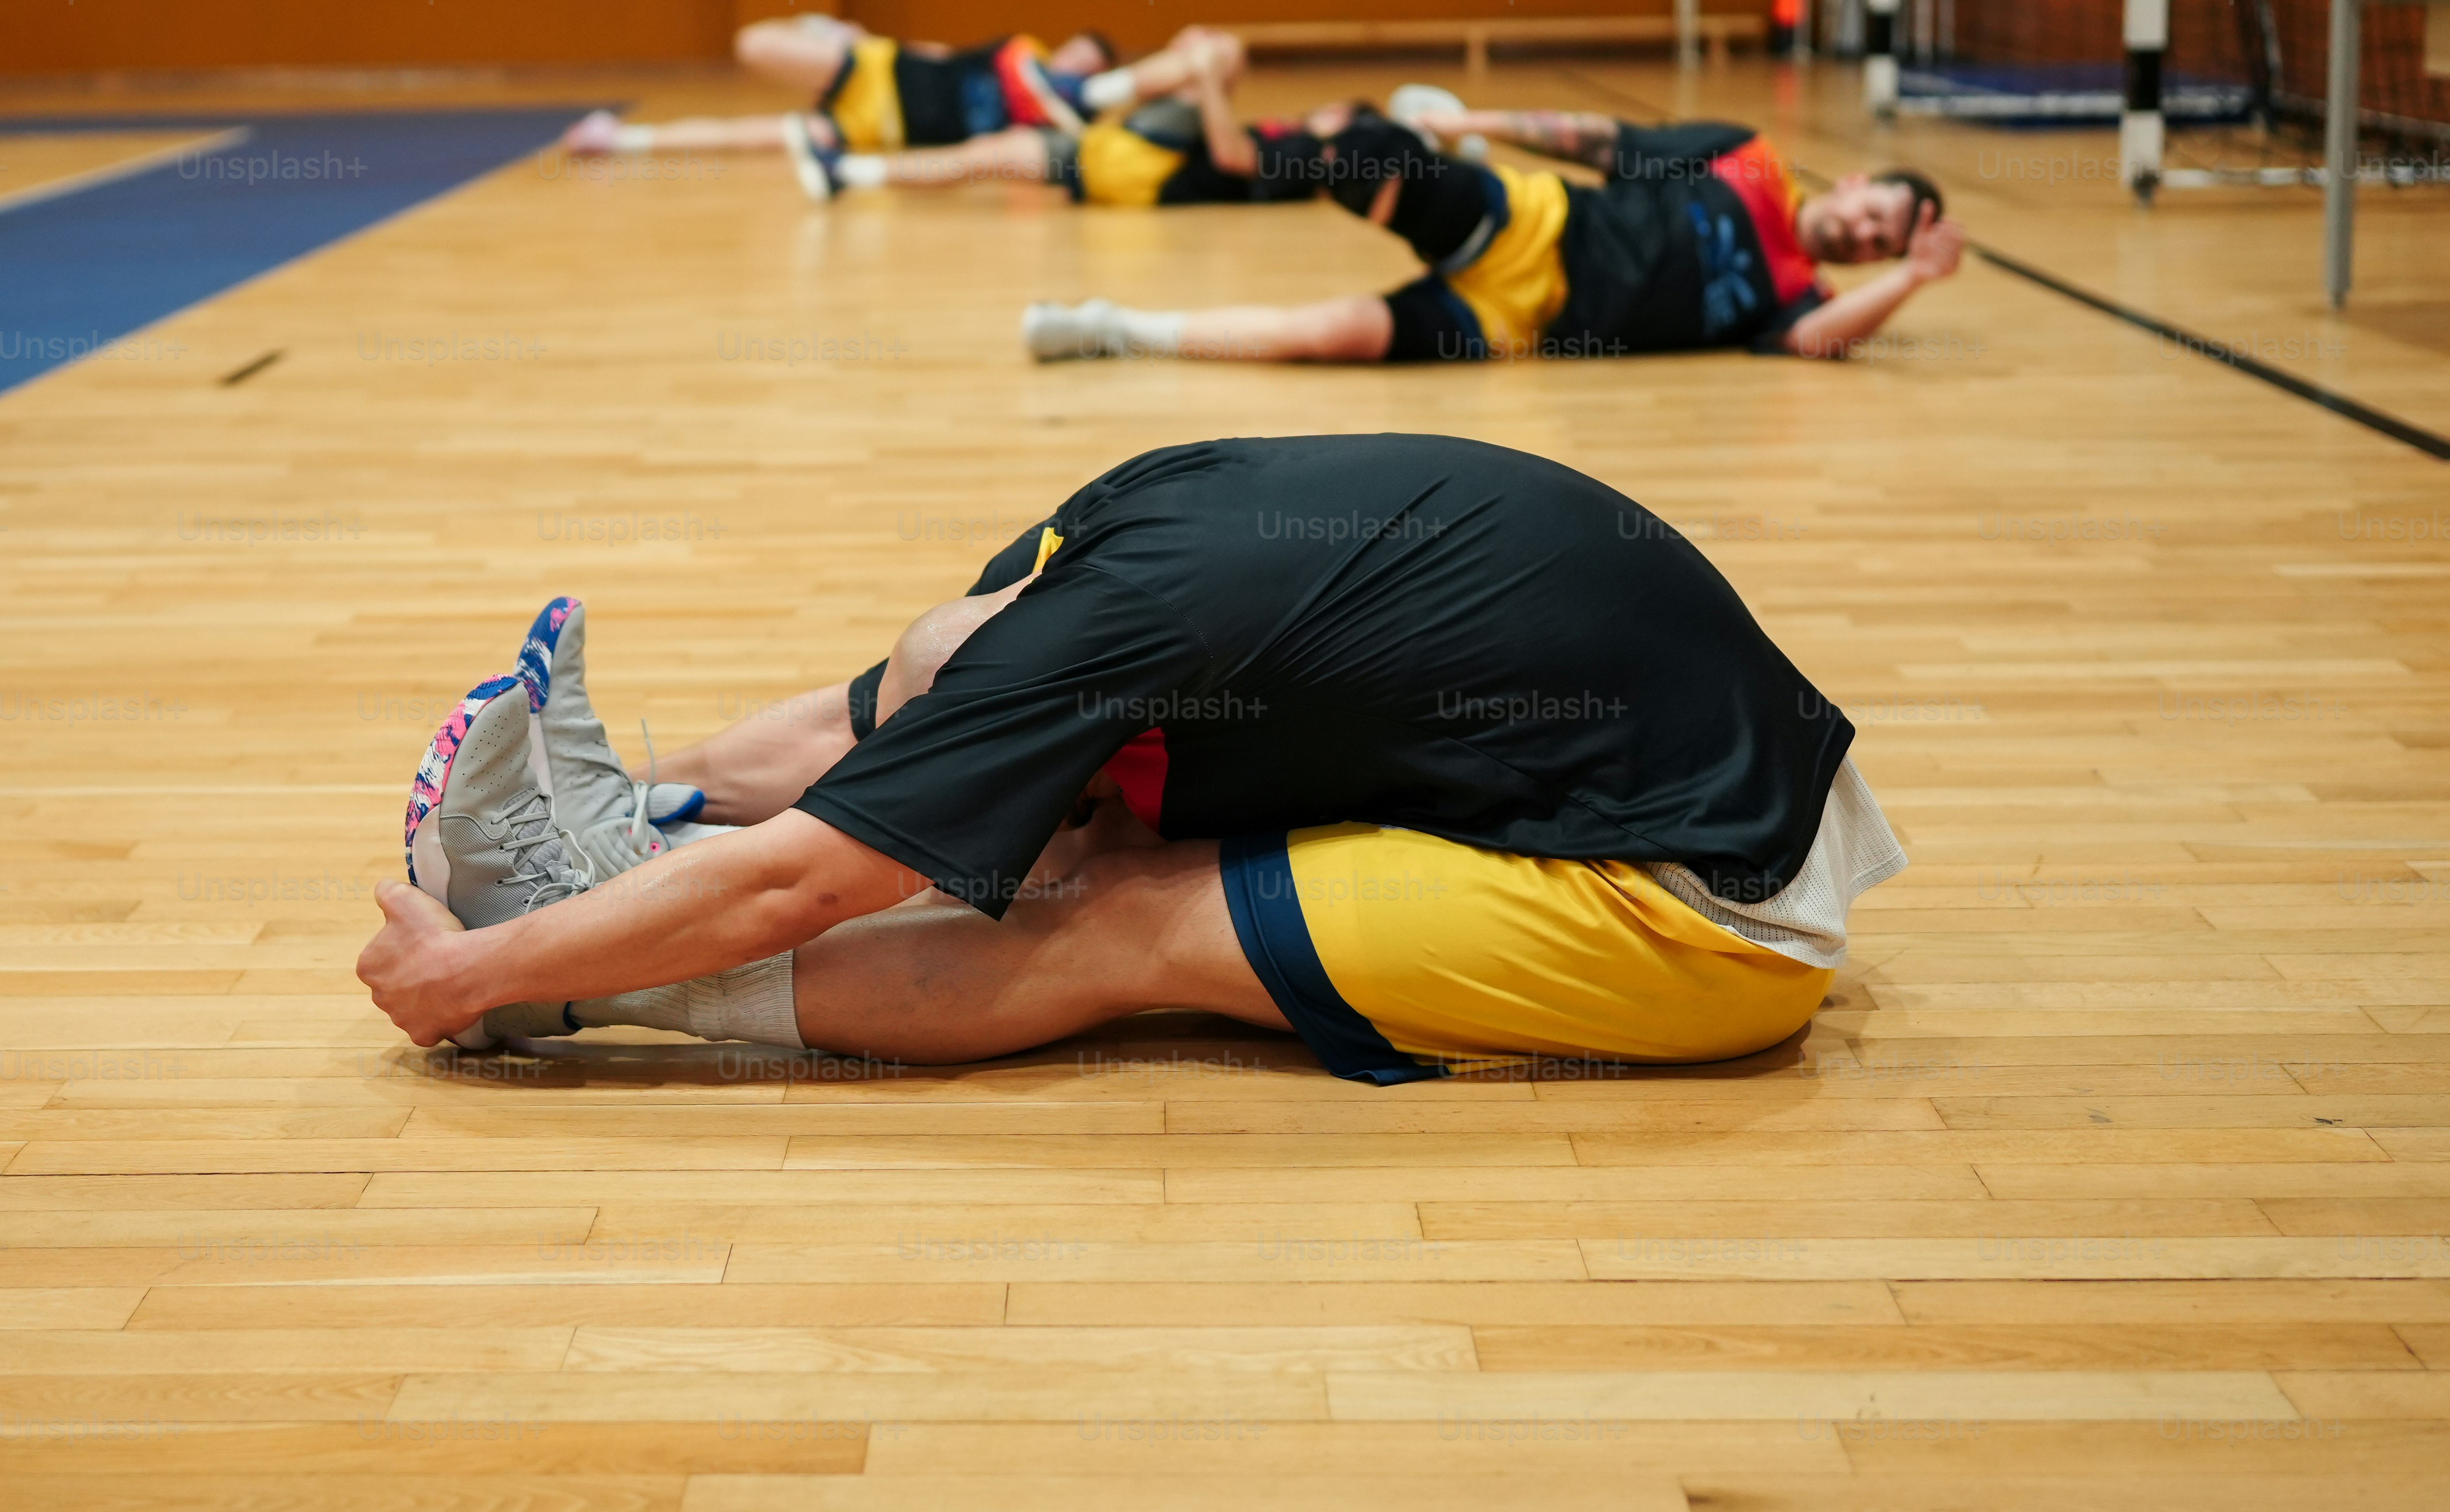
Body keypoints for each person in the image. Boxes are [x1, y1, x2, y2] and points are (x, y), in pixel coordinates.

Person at [362, 434, 1906, 1084]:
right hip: (1714, 755)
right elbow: (869, 719)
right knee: (1046, 832)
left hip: (1707, 901)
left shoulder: (1098, 641)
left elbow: (799, 885)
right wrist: (647, 792)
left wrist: (478, 977)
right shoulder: (1098, 539)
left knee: (1105, 905)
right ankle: (608, 838)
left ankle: (571, 980)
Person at [1020, 100, 1963, 365]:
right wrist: (1475, 116)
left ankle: (1114, 327)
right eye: (1872, 213)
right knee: (1369, 161)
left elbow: (1811, 346)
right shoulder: (1744, 158)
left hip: (1520, 328)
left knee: (1322, 336)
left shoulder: (1804, 296)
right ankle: (1278, 147)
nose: (1859, 233)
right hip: (1532, 227)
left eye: (1878, 243)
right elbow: (1599, 138)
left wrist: (1913, 280)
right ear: (1850, 181)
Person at [555, 16, 1242, 188]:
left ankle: (621, 140)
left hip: (879, 129)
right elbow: (937, 53)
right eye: (1079, 55)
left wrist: (1199, 68)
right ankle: (824, 27)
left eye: (1094, 60)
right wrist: (856, 39)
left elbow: (1029, 169)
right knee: (754, 43)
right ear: (1064, 49)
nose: (1081, 61)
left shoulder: (1081, 109)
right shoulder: (1020, 50)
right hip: (877, 72)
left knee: (763, 136)